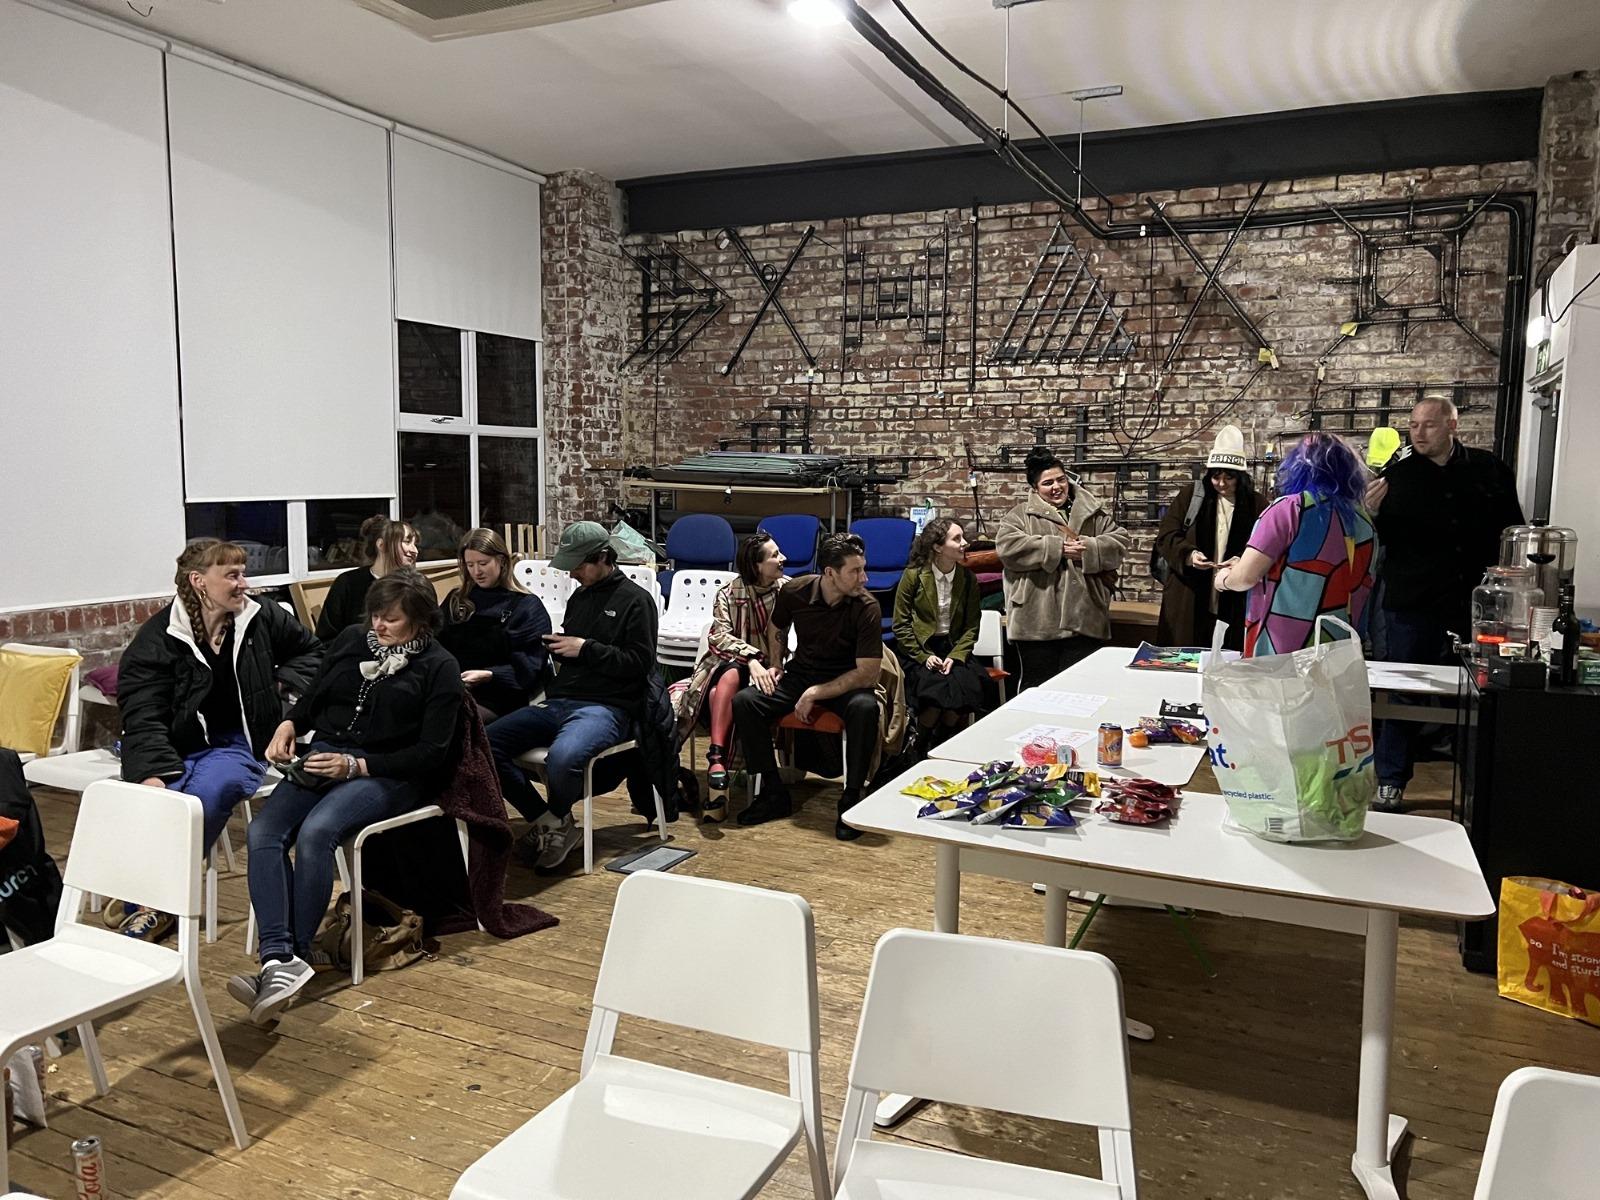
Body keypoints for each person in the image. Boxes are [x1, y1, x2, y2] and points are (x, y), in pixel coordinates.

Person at [231, 568, 464, 1025]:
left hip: (389, 770)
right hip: (328, 757)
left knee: (318, 833)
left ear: (420, 621)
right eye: (375, 615)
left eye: (391, 620)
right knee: (264, 830)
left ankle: (292, 955)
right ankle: (277, 960)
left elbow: (432, 753)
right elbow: (314, 695)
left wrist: (357, 766)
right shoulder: (354, 641)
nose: (377, 626)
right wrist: (290, 724)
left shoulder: (439, 667)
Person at [112, 539, 322, 941]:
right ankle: (145, 897)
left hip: (244, 740)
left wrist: (281, 684)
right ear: (199, 582)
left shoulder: (261, 617)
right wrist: (152, 773)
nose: (244, 583)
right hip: (181, 743)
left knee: (211, 792)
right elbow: (142, 713)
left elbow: (313, 652)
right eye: (232, 575)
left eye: (243, 572)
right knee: (162, 799)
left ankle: (151, 904)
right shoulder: (158, 638)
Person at [1364, 397, 1523, 810]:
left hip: (1474, 601)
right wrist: (1371, 514)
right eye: (1413, 425)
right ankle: (1392, 780)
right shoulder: (1396, 477)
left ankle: (1476, 784)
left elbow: (1512, 532)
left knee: (1476, 692)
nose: (1418, 433)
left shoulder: (1490, 470)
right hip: (1412, 600)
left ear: (1452, 425)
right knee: (1403, 689)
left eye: (1428, 425)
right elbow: (1372, 540)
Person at [486, 522, 658, 872]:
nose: (575, 574)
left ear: (603, 558)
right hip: (561, 699)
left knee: (563, 759)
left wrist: (586, 649)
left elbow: (639, 665)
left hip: (608, 706)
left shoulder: (637, 601)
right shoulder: (580, 597)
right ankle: (550, 822)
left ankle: (555, 821)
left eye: (580, 566)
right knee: (485, 743)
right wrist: (561, 647)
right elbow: (581, 650)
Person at [732, 532, 883, 841]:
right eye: (855, 571)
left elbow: (867, 673)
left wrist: (815, 693)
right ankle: (773, 793)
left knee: (866, 707)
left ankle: (851, 798)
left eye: (863, 569)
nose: (864, 578)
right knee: (746, 702)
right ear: (830, 573)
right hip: (802, 673)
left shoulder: (867, 606)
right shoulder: (796, 591)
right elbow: (777, 625)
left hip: (846, 680)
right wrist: (775, 663)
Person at [1214, 432, 1377, 658]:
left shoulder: (1290, 509)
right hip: (1339, 655)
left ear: (1298, 466)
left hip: (1281, 654)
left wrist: (1223, 579)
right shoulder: (1364, 522)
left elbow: (1245, 578)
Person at [671, 533, 788, 823]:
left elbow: (783, 635)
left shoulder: (786, 590)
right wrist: (752, 657)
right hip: (725, 663)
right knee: (732, 670)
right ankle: (718, 771)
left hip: (762, 670)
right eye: (774, 555)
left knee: (719, 694)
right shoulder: (728, 592)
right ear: (756, 565)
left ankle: (716, 761)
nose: (782, 559)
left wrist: (771, 663)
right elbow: (720, 637)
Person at [996, 448, 1131, 689]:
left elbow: (1119, 542)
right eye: (1047, 483)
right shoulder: (1019, 516)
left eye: (1061, 479)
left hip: (1085, 616)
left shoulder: (1093, 512)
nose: (1057, 487)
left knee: (1083, 687)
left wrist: (1089, 547)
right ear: (1035, 488)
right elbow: (1008, 548)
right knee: (1037, 688)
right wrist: (1056, 549)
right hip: (1037, 620)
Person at [1155, 425, 1265, 651]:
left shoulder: (1257, 504)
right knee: (1185, 660)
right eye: (1216, 476)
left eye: (1229, 477)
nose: (1222, 483)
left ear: (1240, 477)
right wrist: (1189, 555)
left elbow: (1266, 548)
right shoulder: (1192, 496)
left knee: (1230, 660)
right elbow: (1166, 535)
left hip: (1236, 600)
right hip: (1190, 598)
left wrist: (1242, 563)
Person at [437, 528, 551, 724]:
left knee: (446, 721)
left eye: (483, 563)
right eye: (470, 565)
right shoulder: (457, 601)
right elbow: (434, 643)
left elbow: (529, 669)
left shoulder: (525, 606)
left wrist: (490, 675)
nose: (476, 572)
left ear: (502, 561)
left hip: (500, 696)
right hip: (452, 689)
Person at [892, 517, 987, 747]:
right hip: (920, 649)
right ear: (937, 547)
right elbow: (901, 624)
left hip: (953, 648)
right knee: (934, 697)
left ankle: (944, 744)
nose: (965, 543)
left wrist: (956, 656)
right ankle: (918, 748)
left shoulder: (967, 578)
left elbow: (972, 625)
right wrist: (924, 657)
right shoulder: (914, 575)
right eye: (957, 539)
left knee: (961, 692)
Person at [315, 518, 419, 641]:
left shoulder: (418, 586)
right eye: (407, 542)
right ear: (382, 545)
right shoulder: (348, 583)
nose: (415, 551)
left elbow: (429, 636)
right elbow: (327, 639)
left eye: (415, 544)